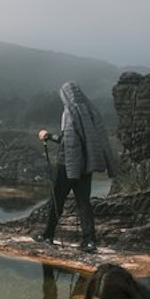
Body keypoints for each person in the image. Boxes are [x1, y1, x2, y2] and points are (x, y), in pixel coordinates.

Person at [37, 81, 119, 253]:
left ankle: (48, 235)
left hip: (67, 166)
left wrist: (48, 136)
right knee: (83, 203)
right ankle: (89, 241)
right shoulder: (91, 112)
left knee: (57, 200)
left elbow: (68, 142)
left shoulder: (69, 113)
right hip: (85, 166)